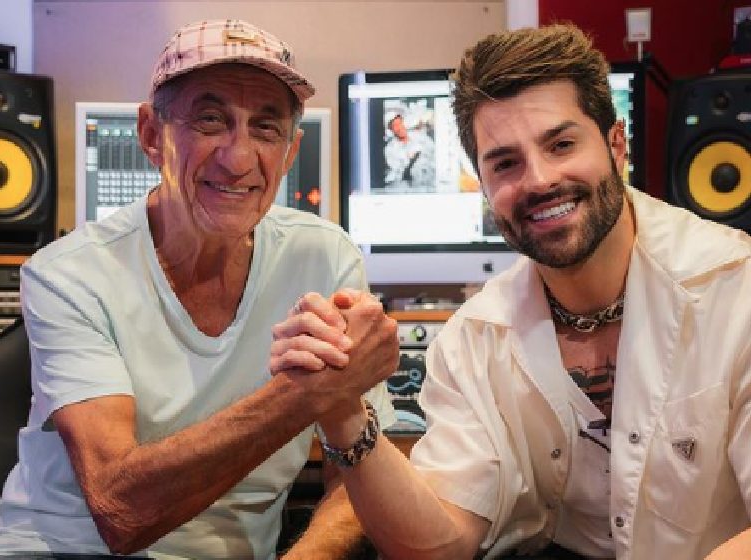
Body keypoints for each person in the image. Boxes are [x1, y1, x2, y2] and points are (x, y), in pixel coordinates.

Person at [271, 23, 751, 560]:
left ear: (617, 145)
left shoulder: (737, 289)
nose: (540, 180)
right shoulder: (474, 336)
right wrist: (343, 414)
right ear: (483, 183)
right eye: (505, 163)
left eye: (562, 144)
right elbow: (440, 544)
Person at [0, 19, 398, 559]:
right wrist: (305, 393)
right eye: (210, 120)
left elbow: (357, 468)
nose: (239, 159)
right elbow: (121, 513)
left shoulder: (326, 257)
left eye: (266, 128)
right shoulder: (69, 273)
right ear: (151, 134)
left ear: (290, 152)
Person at [383, 112, 436, 190]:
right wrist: (410, 160)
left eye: (400, 123)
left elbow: (434, 152)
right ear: (391, 129)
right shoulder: (390, 149)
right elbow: (398, 172)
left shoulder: (420, 136)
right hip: (408, 188)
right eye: (395, 126)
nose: (399, 127)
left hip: (430, 184)